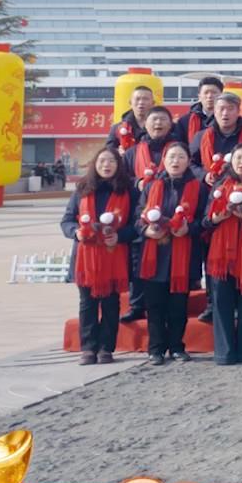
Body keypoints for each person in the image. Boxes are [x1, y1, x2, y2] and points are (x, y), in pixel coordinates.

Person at [63, 146, 137, 365]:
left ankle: (106, 349)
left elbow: (137, 224)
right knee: (87, 304)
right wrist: (75, 232)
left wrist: (121, 236)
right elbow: (67, 220)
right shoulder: (82, 189)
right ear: (95, 164)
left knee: (111, 304)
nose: (107, 165)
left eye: (112, 161)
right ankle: (88, 348)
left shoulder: (129, 191)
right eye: (102, 161)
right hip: (86, 259)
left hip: (114, 257)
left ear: (119, 165)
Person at [135, 141, 202, 365]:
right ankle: (155, 349)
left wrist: (189, 229)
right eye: (171, 156)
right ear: (163, 160)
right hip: (155, 255)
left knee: (178, 306)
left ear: (188, 161)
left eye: (181, 157)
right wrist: (145, 230)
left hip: (183, 256)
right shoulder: (151, 186)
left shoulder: (197, 187)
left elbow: (204, 221)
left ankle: (176, 346)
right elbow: (137, 217)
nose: (175, 161)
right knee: (154, 307)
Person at [203, 143, 242, 364]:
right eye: (238, 157)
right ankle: (225, 352)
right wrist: (216, 218)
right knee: (222, 303)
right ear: (231, 160)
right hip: (221, 255)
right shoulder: (220, 184)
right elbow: (205, 220)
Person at [191, 91, 242, 185]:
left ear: (238, 112)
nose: (225, 113)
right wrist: (204, 175)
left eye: (230, 109)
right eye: (221, 109)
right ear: (215, 112)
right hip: (209, 187)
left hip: (241, 186)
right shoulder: (201, 137)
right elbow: (190, 163)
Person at [129, 106, 182, 185]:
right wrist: (137, 183)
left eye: (163, 119)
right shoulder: (132, 153)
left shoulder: (181, 151)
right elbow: (123, 177)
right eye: (154, 119)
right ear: (145, 124)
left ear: (170, 125)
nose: (158, 122)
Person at [106, 85, 155, 153]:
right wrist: (117, 152)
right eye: (137, 99)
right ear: (130, 103)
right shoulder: (117, 128)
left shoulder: (159, 127)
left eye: (145, 99)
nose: (141, 102)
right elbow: (109, 150)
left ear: (153, 103)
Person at [179, 76, 224, 144]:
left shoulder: (228, 119)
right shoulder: (185, 121)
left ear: (221, 95)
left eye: (214, 92)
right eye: (206, 93)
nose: (209, 96)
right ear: (199, 96)